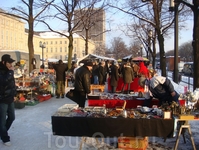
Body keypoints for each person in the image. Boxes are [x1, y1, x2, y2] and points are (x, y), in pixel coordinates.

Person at [0, 54, 17, 146]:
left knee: (12, 117)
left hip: (10, 98)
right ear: (3, 62)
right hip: (2, 99)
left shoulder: (9, 71)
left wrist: (15, 94)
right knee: (2, 120)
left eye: (11, 62)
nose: (11, 64)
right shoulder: (3, 71)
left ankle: (2, 132)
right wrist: (10, 72)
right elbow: (4, 82)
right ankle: (5, 137)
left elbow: (12, 84)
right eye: (9, 62)